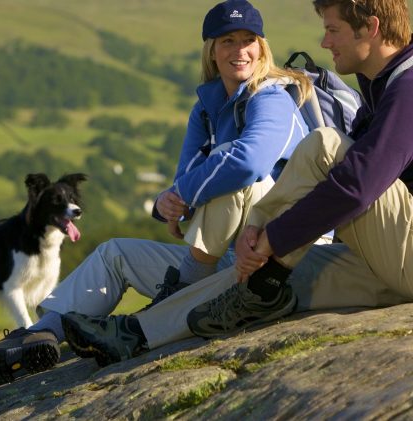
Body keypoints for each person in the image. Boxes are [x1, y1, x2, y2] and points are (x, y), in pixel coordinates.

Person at [0, 0, 312, 386]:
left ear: (262, 47)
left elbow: (249, 163)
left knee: (233, 165)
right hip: (221, 260)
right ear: (211, 49)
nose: (239, 51)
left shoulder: (272, 97)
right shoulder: (208, 108)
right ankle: (40, 337)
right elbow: (183, 180)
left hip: (275, 259)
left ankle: (174, 297)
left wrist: (183, 197)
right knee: (115, 254)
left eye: (248, 40)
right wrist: (168, 203)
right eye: (227, 41)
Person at [62, 0, 413, 366]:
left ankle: (259, 261)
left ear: (371, 28)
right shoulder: (383, 86)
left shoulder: (408, 86)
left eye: (332, 29)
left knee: (324, 144)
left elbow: (357, 186)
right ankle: (135, 333)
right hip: (387, 260)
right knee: (267, 283)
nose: (324, 43)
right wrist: (264, 238)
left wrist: (272, 237)